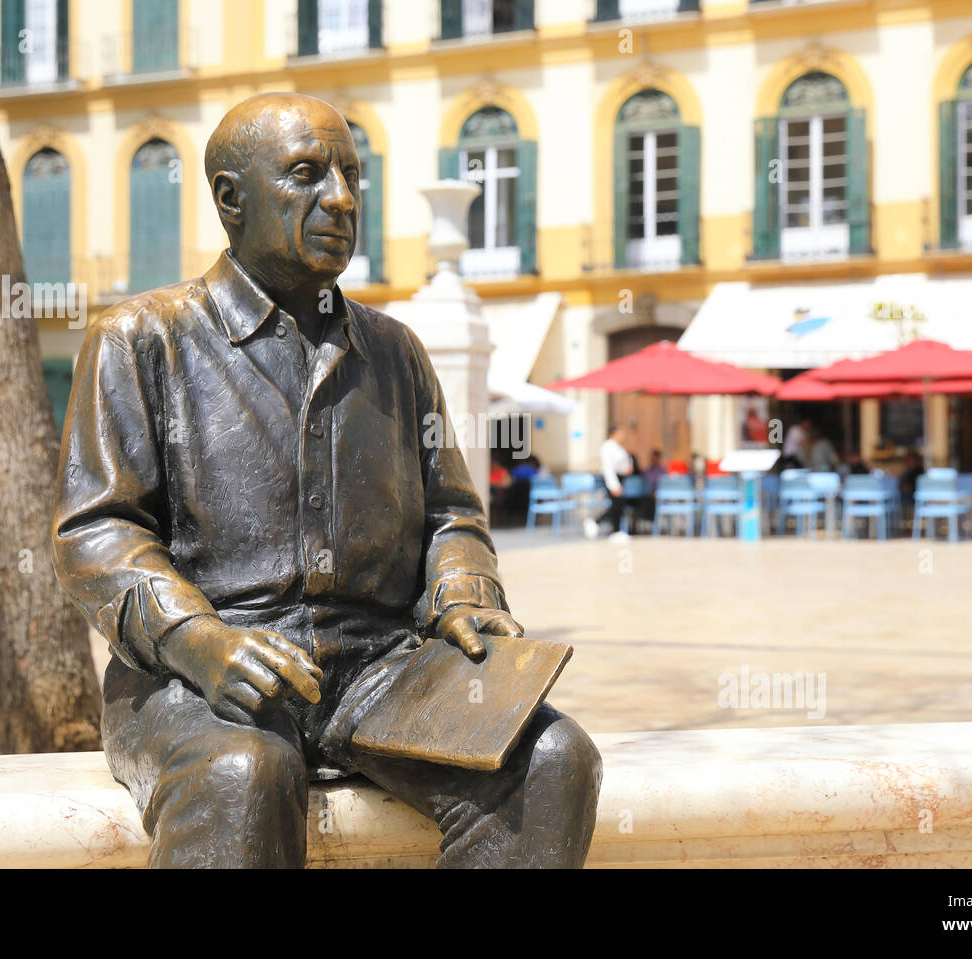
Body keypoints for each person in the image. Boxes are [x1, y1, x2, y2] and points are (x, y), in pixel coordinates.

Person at [52, 93, 601, 869]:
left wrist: (464, 593)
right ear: (230, 200)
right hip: (196, 674)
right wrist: (200, 640)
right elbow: (96, 530)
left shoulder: (396, 352)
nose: (340, 198)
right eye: (307, 174)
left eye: (349, 174)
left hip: (380, 667)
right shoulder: (141, 341)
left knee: (553, 757)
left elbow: (451, 512)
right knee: (244, 772)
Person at [584, 423, 632, 540]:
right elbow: (608, 468)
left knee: (618, 506)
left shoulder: (618, 446)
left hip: (621, 477)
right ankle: (602, 525)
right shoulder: (607, 447)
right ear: (614, 433)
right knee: (616, 506)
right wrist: (614, 485)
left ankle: (615, 530)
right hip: (613, 479)